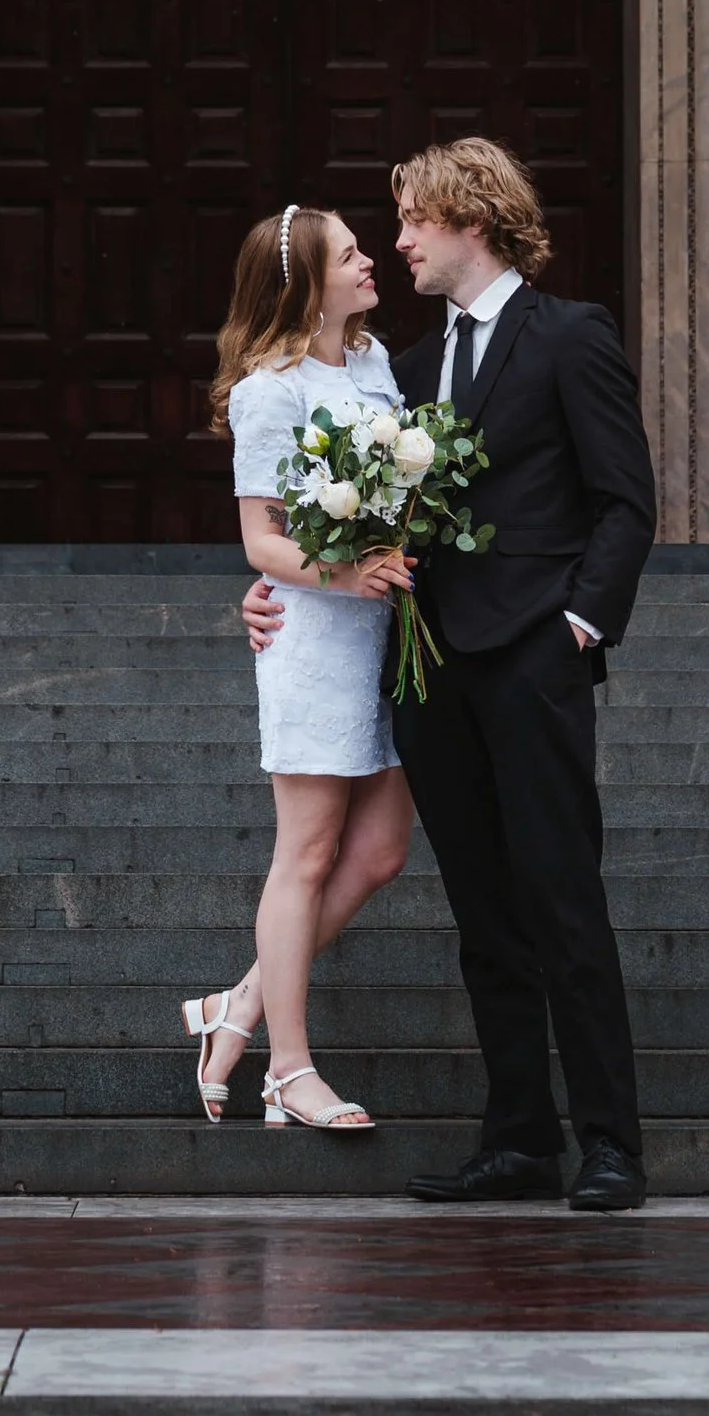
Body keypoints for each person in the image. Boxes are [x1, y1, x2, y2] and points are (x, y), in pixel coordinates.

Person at [245, 137, 657, 1211]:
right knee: (484, 917)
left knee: (562, 902)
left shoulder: (571, 337)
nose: (401, 243)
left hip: (532, 659)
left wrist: (579, 623)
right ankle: (518, 1139)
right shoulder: (405, 370)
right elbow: (332, 516)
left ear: (469, 218)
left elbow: (625, 500)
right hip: (425, 672)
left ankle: (610, 1144)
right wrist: (270, 592)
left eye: (414, 223)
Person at [183, 203, 416, 1135]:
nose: (372, 262)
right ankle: (286, 1069)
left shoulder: (371, 363)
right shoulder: (268, 390)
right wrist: (348, 571)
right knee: (309, 854)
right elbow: (261, 542)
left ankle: (236, 1006)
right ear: (307, 283)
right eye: (352, 254)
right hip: (316, 638)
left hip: (388, 636)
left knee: (383, 850)